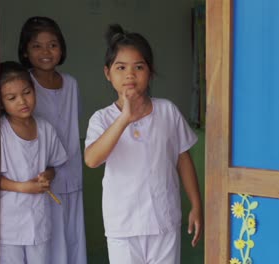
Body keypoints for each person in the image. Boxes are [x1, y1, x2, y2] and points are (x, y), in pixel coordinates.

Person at [84, 24, 204, 264]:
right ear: (108, 73)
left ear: (150, 72)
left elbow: (183, 158)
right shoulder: (102, 118)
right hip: (123, 226)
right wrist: (125, 117)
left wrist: (196, 204)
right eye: (121, 67)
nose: (130, 74)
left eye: (138, 67)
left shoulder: (167, 111)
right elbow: (92, 160)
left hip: (164, 221)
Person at [17, 16, 87, 264]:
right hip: (41, 178)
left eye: (53, 44)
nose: (46, 52)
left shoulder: (71, 84)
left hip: (72, 174)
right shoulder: (24, 86)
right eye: (37, 46)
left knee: (73, 238)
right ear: (25, 51)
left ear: (62, 48)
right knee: (48, 243)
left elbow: (73, 124)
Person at [0, 61, 67, 264]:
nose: (22, 101)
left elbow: (54, 165)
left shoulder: (45, 129)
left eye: (26, 92)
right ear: (1, 102)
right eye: (12, 98)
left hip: (38, 220)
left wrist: (47, 176)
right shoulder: (0, 133)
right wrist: (22, 187)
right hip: (10, 225)